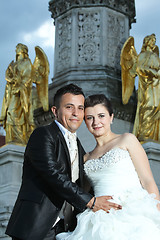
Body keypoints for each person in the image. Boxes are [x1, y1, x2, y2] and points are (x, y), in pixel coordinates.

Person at [5, 85, 121, 240]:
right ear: (55, 111)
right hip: (35, 225)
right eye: (69, 107)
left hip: (65, 228)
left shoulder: (78, 145)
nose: (75, 113)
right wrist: (92, 202)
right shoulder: (43, 134)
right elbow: (53, 174)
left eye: (80, 108)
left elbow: (83, 182)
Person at [56, 94, 160, 240]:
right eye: (90, 118)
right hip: (99, 219)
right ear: (85, 122)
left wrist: (156, 214)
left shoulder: (127, 139)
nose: (96, 122)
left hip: (133, 211)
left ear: (111, 117)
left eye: (101, 116)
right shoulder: (86, 158)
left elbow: (147, 180)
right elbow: (81, 192)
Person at [121, 34, 160, 143]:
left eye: (155, 40)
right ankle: (144, 134)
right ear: (147, 42)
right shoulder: (142, 55)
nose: (153, 42)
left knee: (157, 109)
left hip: (156, 86)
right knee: (149, 107)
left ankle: (153, 135)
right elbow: (138, 68)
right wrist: (152, 72)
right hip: (147, 86)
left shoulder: (155, 56)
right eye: (152, 40)